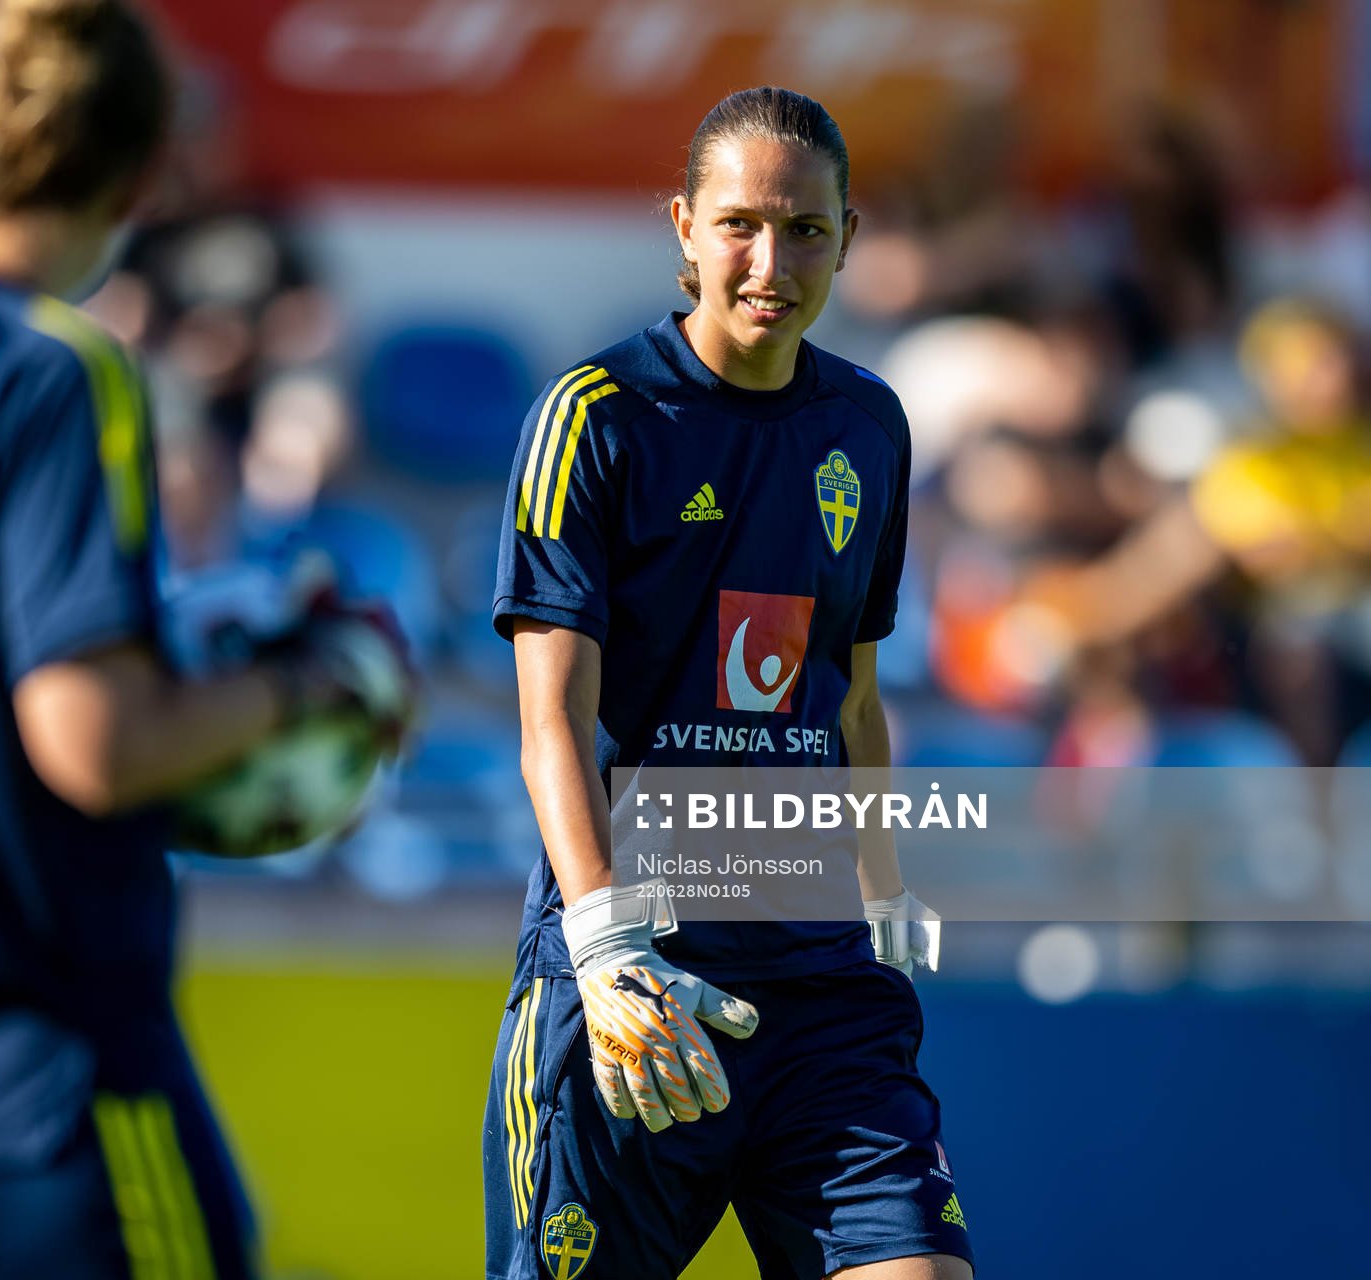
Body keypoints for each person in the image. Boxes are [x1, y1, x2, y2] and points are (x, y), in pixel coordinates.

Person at [0, 2, 409, 1276]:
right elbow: (94, 742)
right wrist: (306, 684)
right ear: (140, 172)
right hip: (43, 1098)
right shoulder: (55, 370)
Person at [483, 88, 973, 1280]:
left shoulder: (870, 426)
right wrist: (602, 946)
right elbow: (552, 711)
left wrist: (885, 894)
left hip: (822, 995)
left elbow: (853, 698)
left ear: (849, 238)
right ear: (685, 228)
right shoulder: (594, 417)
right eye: (742, 224)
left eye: (806, 229)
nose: (771, 260)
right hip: (645, 979)